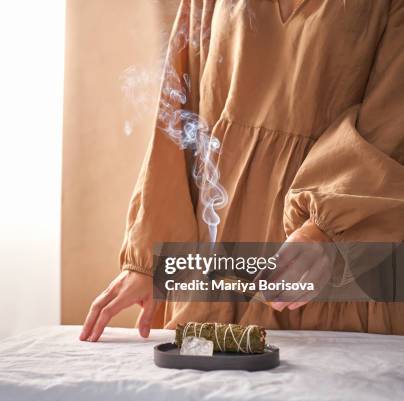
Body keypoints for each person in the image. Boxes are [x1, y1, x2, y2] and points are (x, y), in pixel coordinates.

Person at [80, 0, 404, 342]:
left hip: (324, 260)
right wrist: (146, 261)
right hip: (214, 260)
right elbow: (179, 111)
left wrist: (326, 230)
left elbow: (392, 124)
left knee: (318, 389)